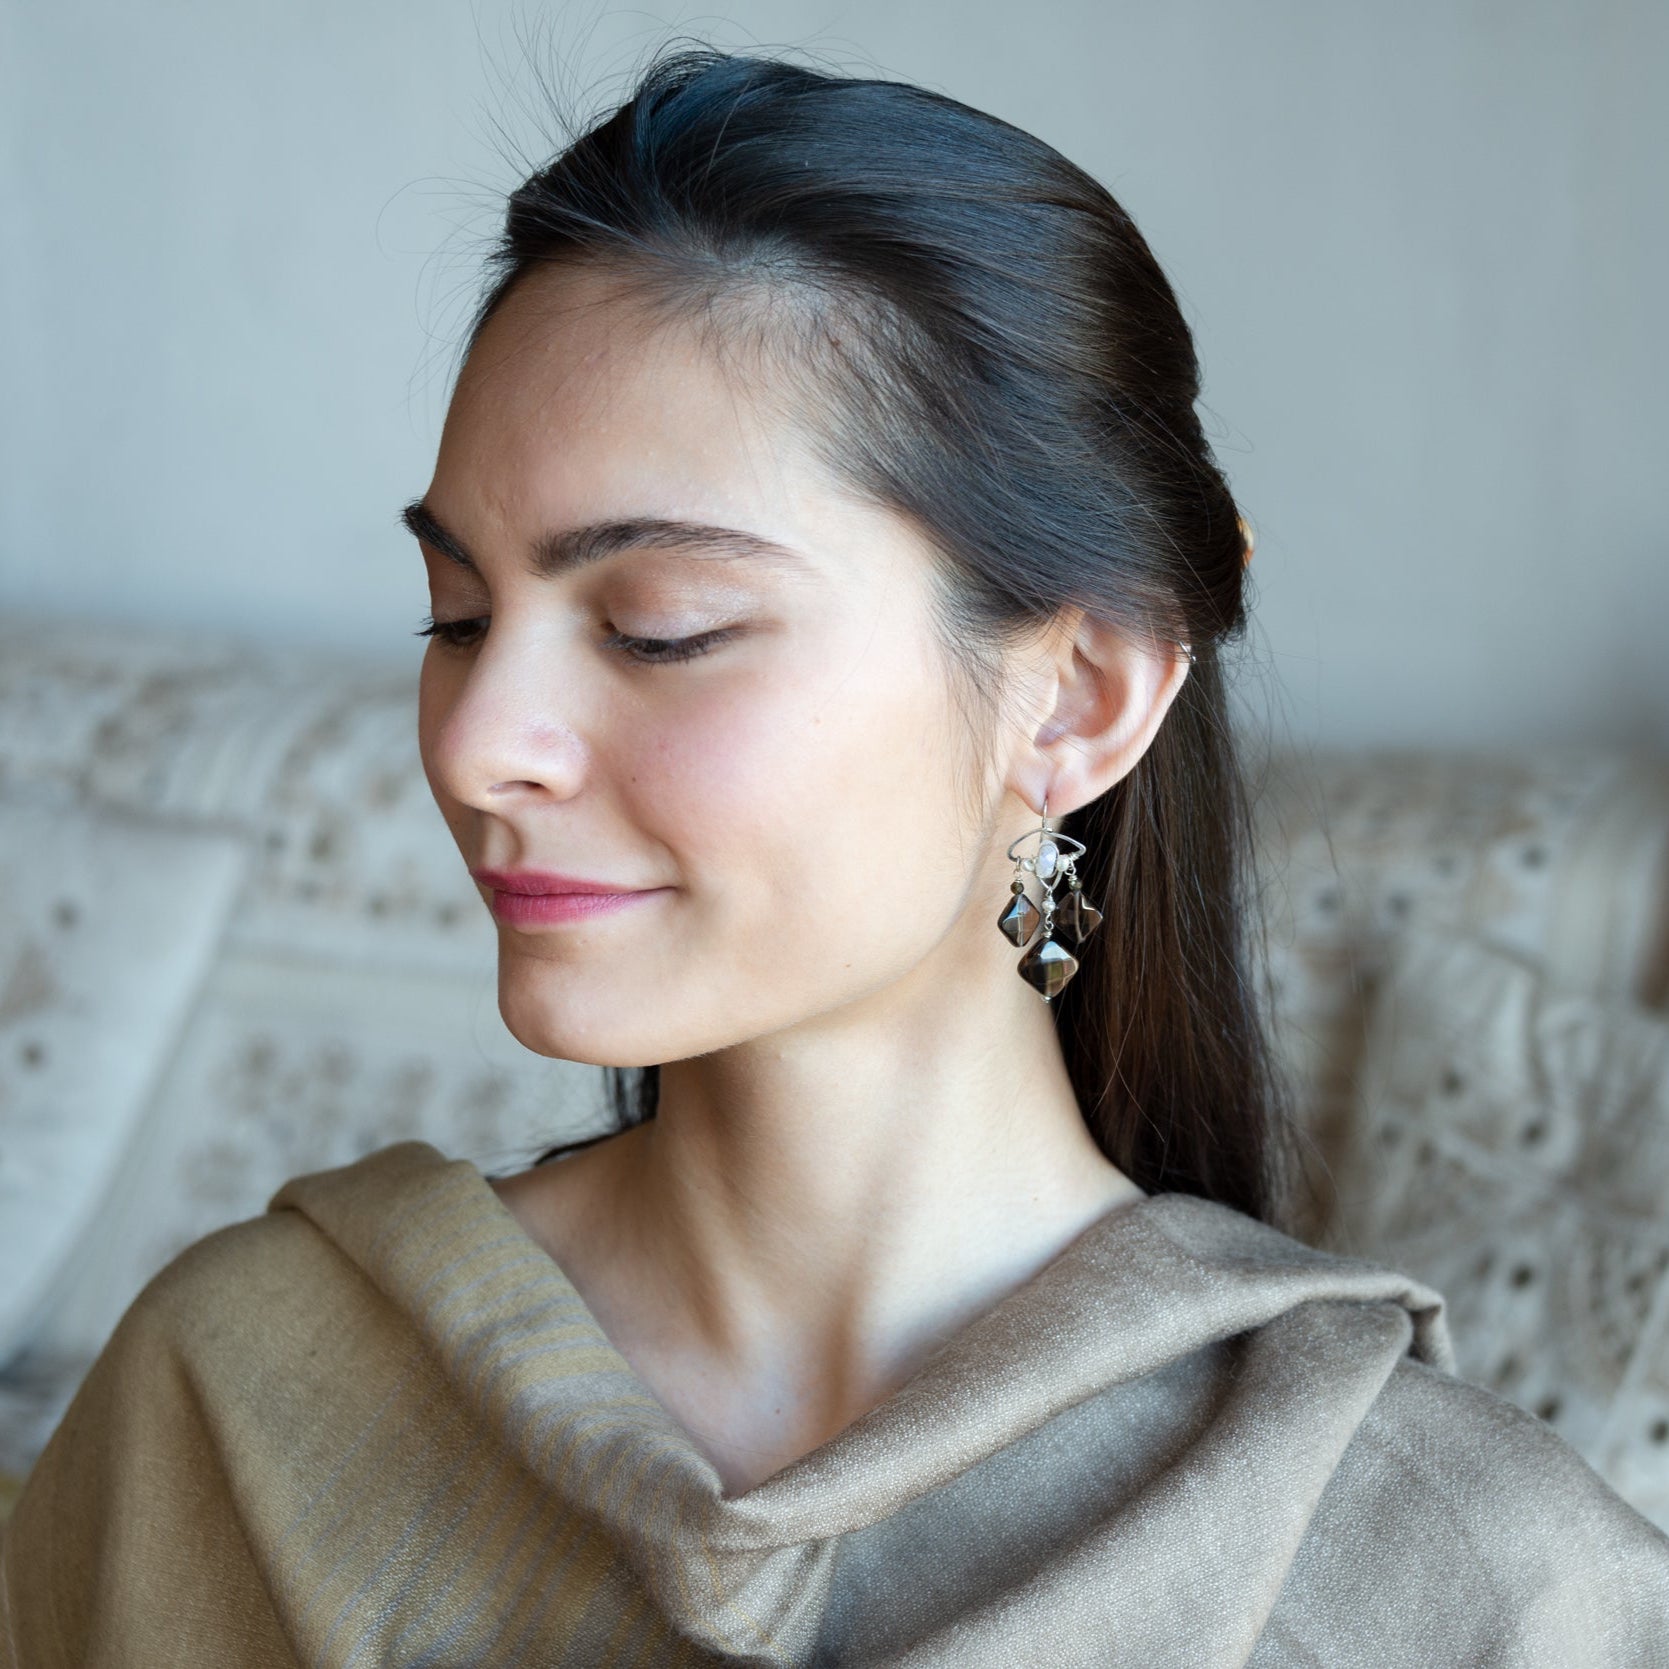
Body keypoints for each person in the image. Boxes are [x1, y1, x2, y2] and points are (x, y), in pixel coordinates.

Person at [3, 44, 1666, 1669]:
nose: (472, 737)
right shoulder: (235, 1396)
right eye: (457, 613)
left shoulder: (1467, 1579)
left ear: (1077, 699)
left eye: (661, 627)